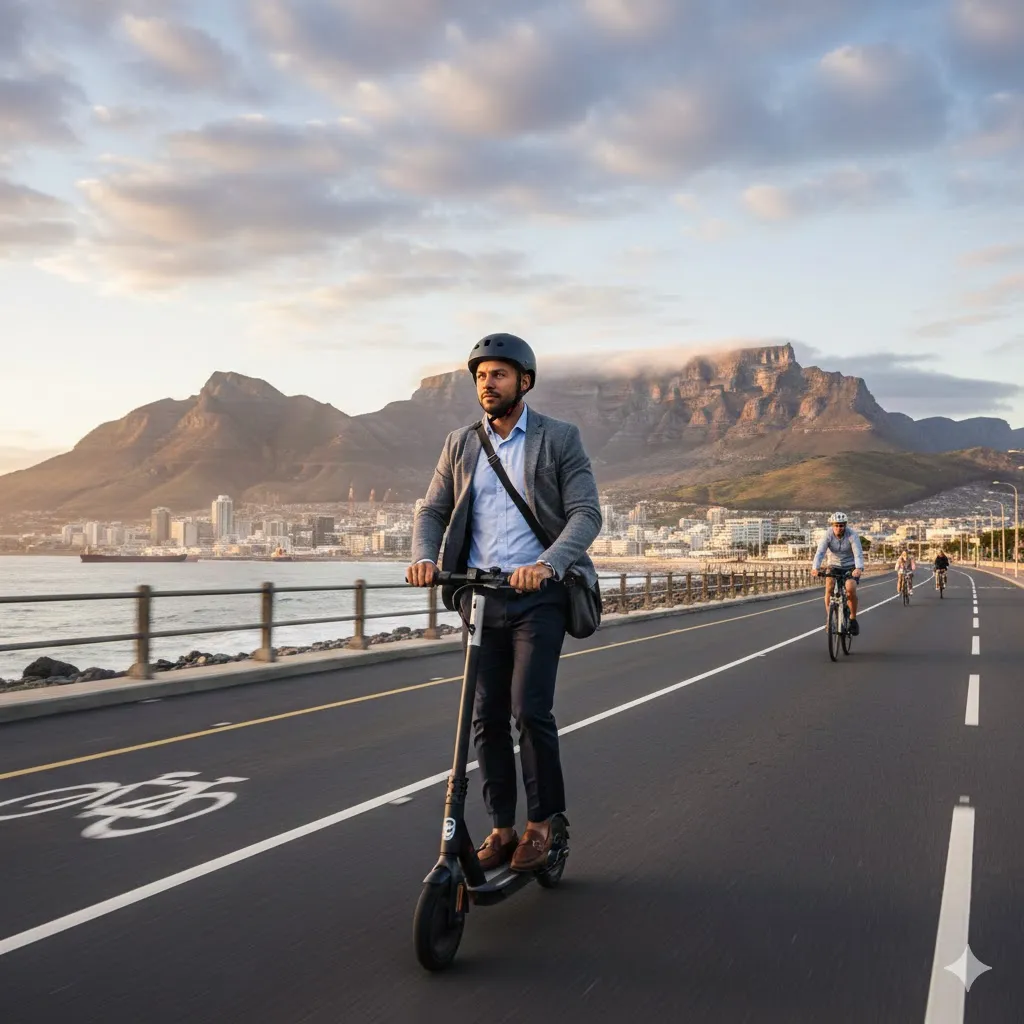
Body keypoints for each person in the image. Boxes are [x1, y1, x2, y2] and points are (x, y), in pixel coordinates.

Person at [407, 334, 602, 874]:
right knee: (484, 718)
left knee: (528, 709)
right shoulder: (460, 443)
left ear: (524, 381)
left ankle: (541, 824)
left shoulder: (559, 438)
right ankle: (502, 827)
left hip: (539, 597)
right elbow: (431, 511)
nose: (486, 384)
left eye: (497, 374)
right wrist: (426, 557)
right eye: (480, 376)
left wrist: (548, 564)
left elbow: (587, 514)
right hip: (481, 599)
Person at [812, 512, 865, 634]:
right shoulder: (828, 535)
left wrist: (858, 568)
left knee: (850, 588)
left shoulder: (852, 535)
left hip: (850, 566)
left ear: (845, 525)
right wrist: (815, 568)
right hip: (833, 565)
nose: (839, 528)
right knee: (829, 588)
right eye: (836, 525)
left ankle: (852, 619)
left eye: (841, 525)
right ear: (832, 525)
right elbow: (820, 552)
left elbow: (858, 554)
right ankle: (829, 619)